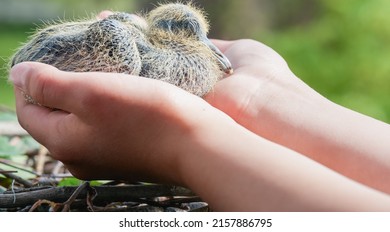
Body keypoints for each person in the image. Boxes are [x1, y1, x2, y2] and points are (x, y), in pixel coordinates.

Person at [8, 20, 390, 211]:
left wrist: (180, 141)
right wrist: (268, 100)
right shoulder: (126, 49)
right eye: (193, 34)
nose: (207, 47)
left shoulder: (182, 57)